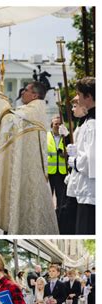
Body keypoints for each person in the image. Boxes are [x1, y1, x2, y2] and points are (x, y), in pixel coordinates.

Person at [0, 81, 59, 234]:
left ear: (35, 95)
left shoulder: (30, 112)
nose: (22, 92)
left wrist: (2, 106)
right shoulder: (33, 110)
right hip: (31, 169)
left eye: (26, 90)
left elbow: (8, 121)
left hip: (26, 169)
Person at [66, 77, 95, 234]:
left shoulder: (93, 124)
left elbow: (92, 162)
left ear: (88, 97)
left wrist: (75, 160)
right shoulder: (89, 122)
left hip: (90, 192)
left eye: (79, 94)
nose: (77, 97)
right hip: (85, 190)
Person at [47, 115, 69, 214]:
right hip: (49, 173)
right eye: (56, 124)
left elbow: (72, 150)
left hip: (62, 173)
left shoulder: (65, 137)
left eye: (60, 124)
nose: (58, 126)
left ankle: (60, 219)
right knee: (47, 198)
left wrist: (66, 154)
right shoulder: (46, 136)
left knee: (61, 198)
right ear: (52, 125)